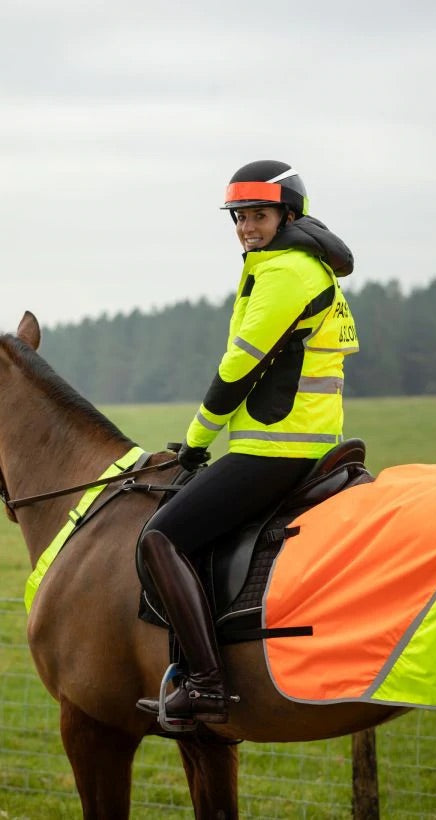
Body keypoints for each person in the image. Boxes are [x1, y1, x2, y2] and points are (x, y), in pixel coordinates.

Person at [136, 159, 359, 724]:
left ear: (287, 214)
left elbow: (240, 367)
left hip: (276, 449)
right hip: (303, 443)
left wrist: (193, 443)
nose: (245, 227)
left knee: (161, 538)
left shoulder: (287, 272)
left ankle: (207, 683)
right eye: (238, 217)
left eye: (257, 215)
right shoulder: (299, 266)